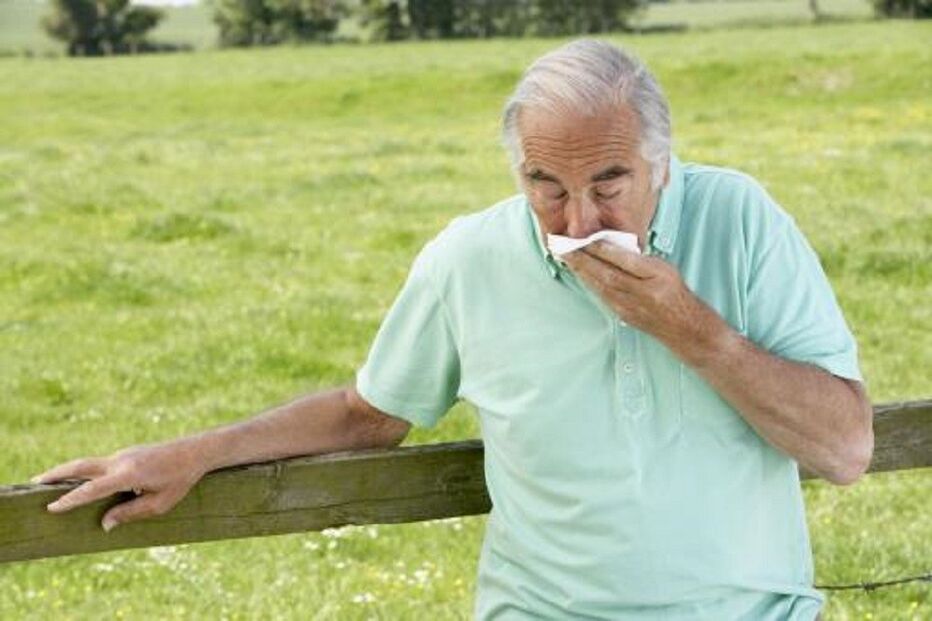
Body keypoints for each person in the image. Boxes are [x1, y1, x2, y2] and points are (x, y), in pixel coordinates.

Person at [33, 40, 872, 620]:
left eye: (609, 181)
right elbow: (369, 414)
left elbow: (845, 450)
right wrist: (193, 452)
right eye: (546, 184)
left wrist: (692, 329)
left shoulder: (743, 219)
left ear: (661, 161)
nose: (578, 217)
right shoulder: (469, 256)